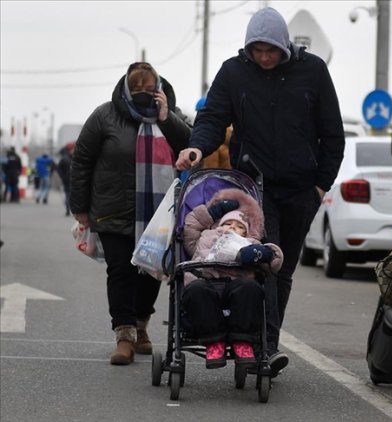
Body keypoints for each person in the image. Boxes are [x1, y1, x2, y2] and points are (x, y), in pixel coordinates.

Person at [175, 6, 345, 375]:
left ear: (284, 46)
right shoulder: (233, 73)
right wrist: (196, 148)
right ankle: (262, 349)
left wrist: (320, 186)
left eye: (271, 50)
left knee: (283, 271)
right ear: (248, 48)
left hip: (301, 189)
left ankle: (265, 343)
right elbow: (213, 118)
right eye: (258, 51)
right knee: (261, 263)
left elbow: (332, 132)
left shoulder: (313, 71)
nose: (265, 57)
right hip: (255, 188)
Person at [70, 62, 191, 365]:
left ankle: (141, 326)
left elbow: (192, 147)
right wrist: (81, 209)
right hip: (114, 209)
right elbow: (82, 161)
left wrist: (167, 118)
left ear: (159, 90)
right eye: (136, 89)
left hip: (159, 212)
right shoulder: (104, 116)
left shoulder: (170, 117)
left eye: (149, 89)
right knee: (121, 271)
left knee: (152, 270)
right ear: (125, 88)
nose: (142, 94)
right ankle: (124, 336)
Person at [181, 188, 283, 369]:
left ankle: (243, 342)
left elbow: (274, 261)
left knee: (251, 288)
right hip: (207, 282)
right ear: (219, 224)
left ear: (247, 232)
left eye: (239, 227)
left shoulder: (249, 244)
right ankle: (214, 342)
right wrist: (211, 212)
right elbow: (190, 225)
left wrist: (264, 253)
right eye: (228, 224)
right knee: (195, 289)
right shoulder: (205, 236)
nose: (233, 229)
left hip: (236, 287)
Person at [57, 143, 74, 216]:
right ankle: (70, 209)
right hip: (71, 179)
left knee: (68, 195)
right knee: (70, 195)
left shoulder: (63, 158)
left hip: (66, 179)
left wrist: (62, 176)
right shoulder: (71, 158)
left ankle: (68, 210)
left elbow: (58, 169)